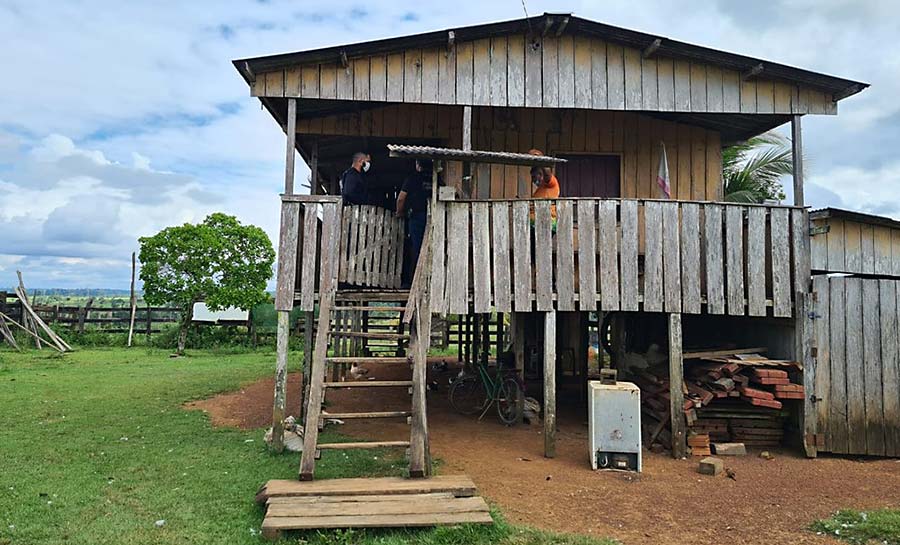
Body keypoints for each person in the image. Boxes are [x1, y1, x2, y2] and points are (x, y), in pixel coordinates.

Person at [396, 159, 431, 286]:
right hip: (433, 217)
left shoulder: (412, 178)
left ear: (418, 165)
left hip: (416, 217)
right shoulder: (436, 179)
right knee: (431, 248)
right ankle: (429, 279)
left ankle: (415, 282)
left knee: (416, 248)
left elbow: (401, 198)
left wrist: (400, 213)